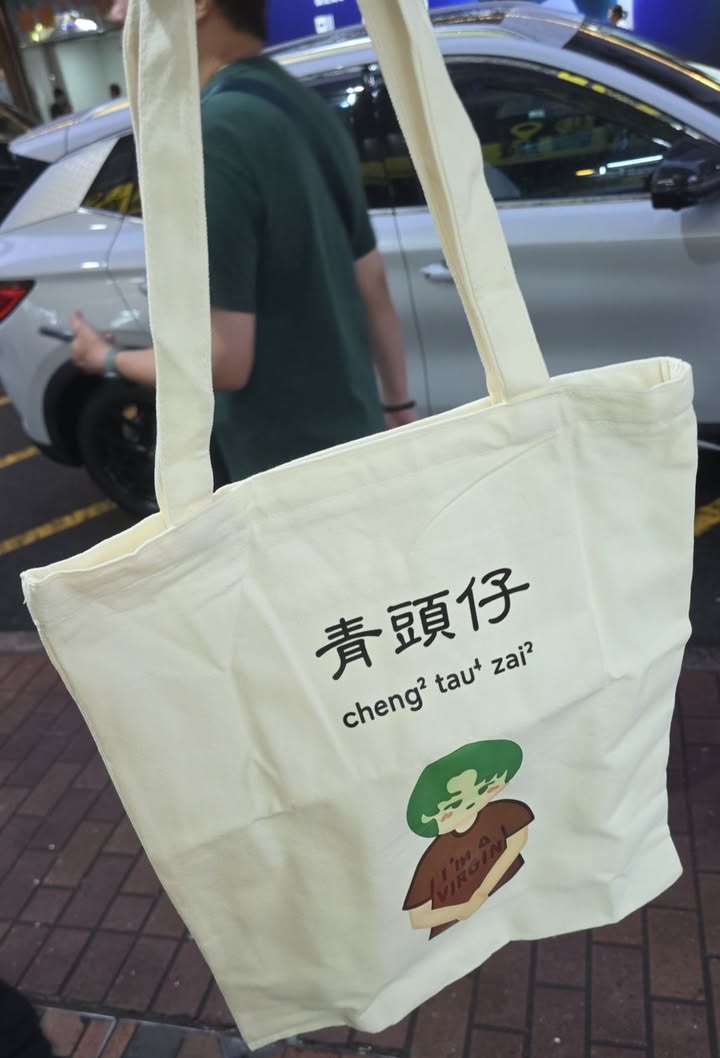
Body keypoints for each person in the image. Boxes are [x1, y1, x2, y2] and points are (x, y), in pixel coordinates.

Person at [71, 0, 417, 485]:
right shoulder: (304, 105)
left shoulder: (211, 134)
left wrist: (106, 359)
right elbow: (372, 280)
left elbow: (225, 361)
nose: (116, 14)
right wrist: (398, 405)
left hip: (285, 472)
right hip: (357, 437)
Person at [403, 740, 534, 939]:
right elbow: (417, 917)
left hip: (511, 893)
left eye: (482, 789)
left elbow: (518, 839)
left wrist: (483, 891)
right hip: (452, 932)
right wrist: (460, 911)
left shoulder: (501, 812)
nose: (469, 804)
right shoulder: (434, 857)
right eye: (453, 805)